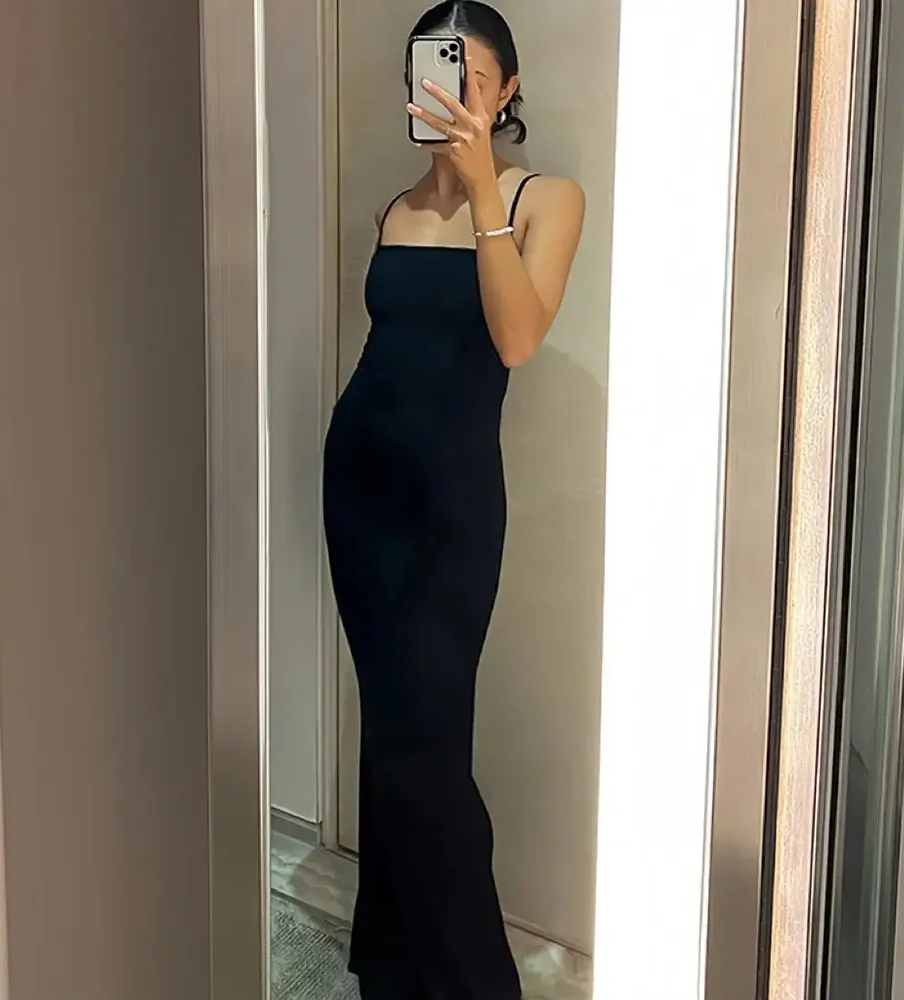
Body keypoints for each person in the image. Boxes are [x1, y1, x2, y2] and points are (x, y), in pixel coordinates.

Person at [323, 2, 585, 996]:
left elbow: (515, 339)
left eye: (471, 78)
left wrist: (481, 193)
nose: (451, 96)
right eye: (433, 74)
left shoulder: (545, 198)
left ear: (506, 90)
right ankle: (393, 965)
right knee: (391, 738)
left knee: (426, 754)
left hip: (452, 511)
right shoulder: (391, 209)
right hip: (361, 493)